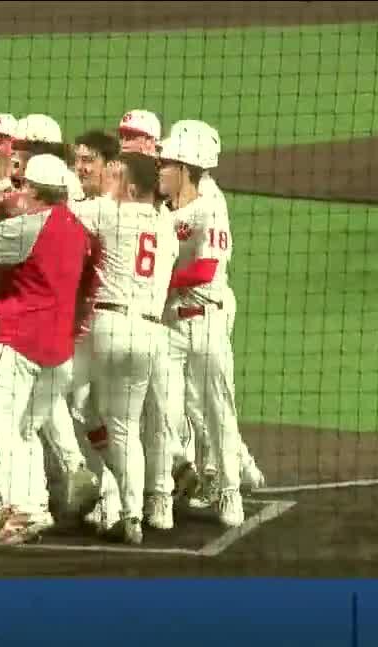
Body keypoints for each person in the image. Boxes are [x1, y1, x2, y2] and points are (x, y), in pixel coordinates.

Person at [0, 154, 96, 545]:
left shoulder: (26, 228)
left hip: (19, 341)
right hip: (59, 350)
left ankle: (21, 510)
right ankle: (34, 507)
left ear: (32, 191)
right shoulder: (76, 229)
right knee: (25, 429)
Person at [69, 152, 180, 543]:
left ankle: (96, 485)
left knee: (64, 396)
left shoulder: (109, 212)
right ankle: (132, 515)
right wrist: (119, 190)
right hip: (150, 334)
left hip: (108, 325)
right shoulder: (166, 228)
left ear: (129, 187)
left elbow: (62, 211)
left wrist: (109, 191)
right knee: (126, 426)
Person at [156, 120, 246, 528]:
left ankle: (229, 490)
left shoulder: (212, 204)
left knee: (218, 408)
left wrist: (158, 283)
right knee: (163, 405)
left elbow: (207, 267)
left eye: (167, 163)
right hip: (170, 325)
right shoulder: (159, 206)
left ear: (186, 169)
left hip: (206, 321)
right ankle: (181, 473)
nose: (160, 168)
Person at [73, 130, 122, 198]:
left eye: (87, 160)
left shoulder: (123, 206)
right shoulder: (71, 203)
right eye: (76, 160)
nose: (78, 167)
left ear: (111, 165)